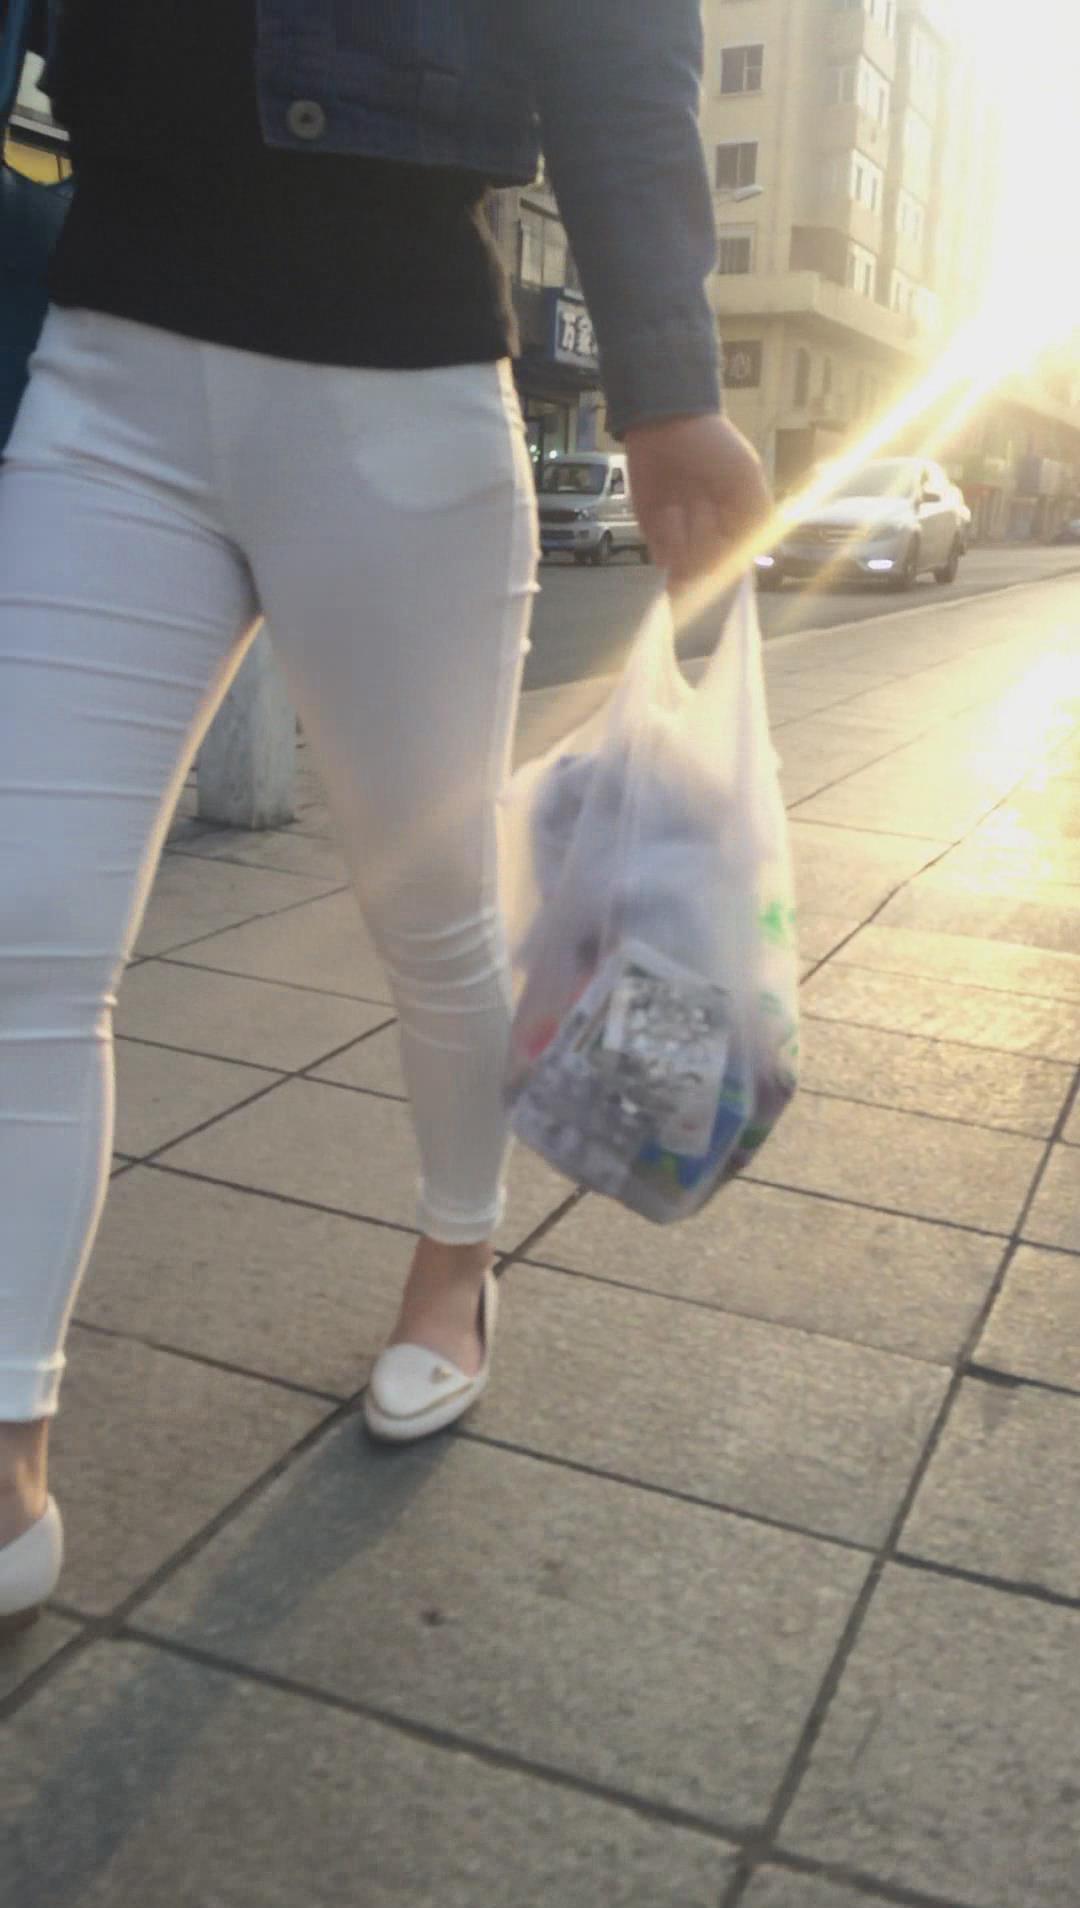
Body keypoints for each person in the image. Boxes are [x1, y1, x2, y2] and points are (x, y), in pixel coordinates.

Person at [0, 0, 770, 1627]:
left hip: (401, 382)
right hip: (105, 366)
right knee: (22, 920)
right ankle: (6, 1437)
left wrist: (666, 379)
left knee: (431, 916)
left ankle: (456, 1265)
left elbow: (620, 40)